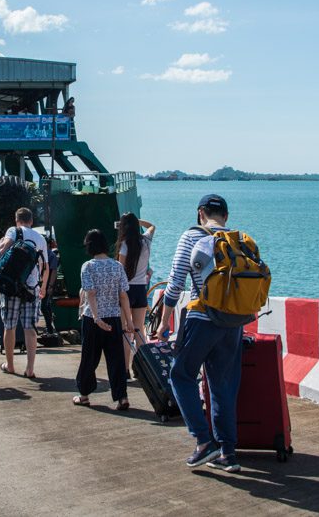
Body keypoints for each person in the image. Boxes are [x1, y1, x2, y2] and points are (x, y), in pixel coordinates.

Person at [155, 194, 243, 472]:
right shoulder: (239, 239)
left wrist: (163, 322)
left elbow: (176, 282)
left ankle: (204, 443)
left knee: (181, 375)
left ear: (200, 213)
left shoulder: (192, 236)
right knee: (222, 384)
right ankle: (228, 453)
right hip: (233, 322)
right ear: (226, 216)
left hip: (202, 316)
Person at [72, 229, 133, 410]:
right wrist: (129, 321)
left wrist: (97, 317)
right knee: (116, 359)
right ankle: (122, 397)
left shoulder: (88, 266)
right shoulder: (117, 266)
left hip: (93, 319)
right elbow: (123, 296)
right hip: (114, 318)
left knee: (89, 358)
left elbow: (90, 293)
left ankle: (84, 395)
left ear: (89, 246)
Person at [0, 207, 49, 378]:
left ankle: (10, 365)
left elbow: (3, 250)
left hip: (12, 286)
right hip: (31, 287)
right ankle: (30, 369)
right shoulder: (40, 238)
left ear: (16, 219)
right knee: (30, 327)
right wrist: (43, 287)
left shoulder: (14, 231)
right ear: (32, 221)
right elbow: (45, 267)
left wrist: (1, 242)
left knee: (9, 326)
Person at [116, 213, 156, 376]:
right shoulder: (146, 241)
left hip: (126, 289)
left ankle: (124, 369)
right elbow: (152, 226)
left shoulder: (125, 244)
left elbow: (120, 270)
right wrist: (136, 221)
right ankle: (140, 369)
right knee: (139, 330)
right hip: (141, 289)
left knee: (126, 331)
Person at [41, 239, 60, 334]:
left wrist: (50, 286)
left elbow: (54, 271)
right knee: (46, 305)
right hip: (41, 284)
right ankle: (50, 327)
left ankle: (50, 328)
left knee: (44, 306)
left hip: (48, 284)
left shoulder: (51, 255)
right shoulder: (42, 254)